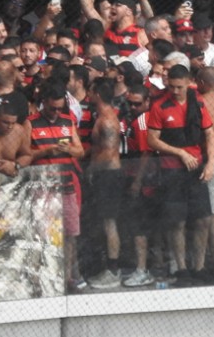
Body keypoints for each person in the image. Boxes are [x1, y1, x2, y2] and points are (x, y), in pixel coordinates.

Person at [146, 64, 214, 282]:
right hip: (172, 171)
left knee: (203, 219)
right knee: (177, 221)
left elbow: (210, 134)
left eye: (179, 87)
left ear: (187, 83)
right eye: (172, 86)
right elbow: (152, 139)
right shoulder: (160, 105)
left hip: (196, 168)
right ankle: (182, 268)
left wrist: (211, 162)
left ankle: (200, 266)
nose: (175, 91)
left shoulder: (198, 102)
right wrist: (180, 153)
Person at [30, 84, 85, 291]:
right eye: (52, 108)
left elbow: (80, 152)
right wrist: (45, 152)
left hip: (67, 187)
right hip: (43, 190)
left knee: (71, 234)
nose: (56, 113)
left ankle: (68, 277)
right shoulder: (30, 123)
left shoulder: (68, 121)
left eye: (59, 109)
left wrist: (68, 149)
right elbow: (24, 155)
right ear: (43, 103)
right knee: (44, 235)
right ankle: (46, 276)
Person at [86, 79, 125, 288]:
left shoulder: (108, 120)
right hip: (104, 175)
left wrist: (91, 169)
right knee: (104, 222)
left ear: (98, 94)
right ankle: (108, 267)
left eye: (91, 91)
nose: (88, 94)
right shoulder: (102, 117)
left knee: (110, 223)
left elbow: (109, 154)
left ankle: (113, 270)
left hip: (109, 175)